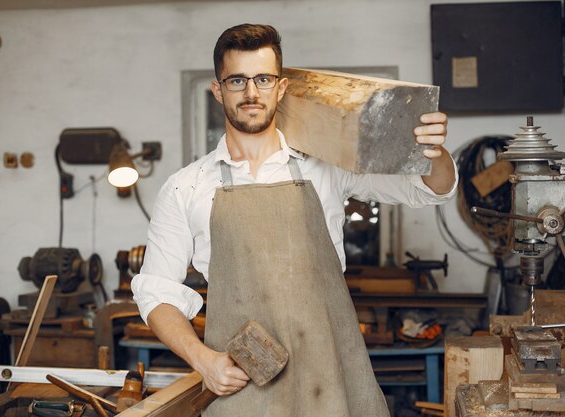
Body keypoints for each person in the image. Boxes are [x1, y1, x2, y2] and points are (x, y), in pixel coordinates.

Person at [131, 23, 456, 417]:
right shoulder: (186, 187)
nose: (251, 93)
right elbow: (157, 292)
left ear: (281, 87)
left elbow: (430, 189)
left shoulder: (329, 166)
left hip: (331, 375)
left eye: (263, 79)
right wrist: (203, 360)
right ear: (218, 90)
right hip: (246, 383)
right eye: (237, 80)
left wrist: (433, 153)